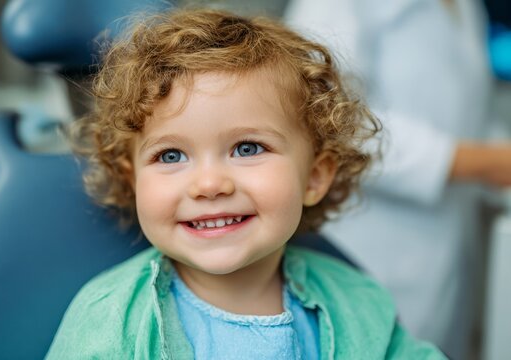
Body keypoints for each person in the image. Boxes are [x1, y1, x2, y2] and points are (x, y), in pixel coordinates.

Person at [45, 8, 446, 359]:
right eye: (170, 156)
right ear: (134, 182)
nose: (209, 184)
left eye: (248, 148)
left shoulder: (357, 303)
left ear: (315, 177)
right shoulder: (109, 322)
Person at [284, 1, 511, 358]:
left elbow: (468, 115)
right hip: (368, 237)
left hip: (443, 243)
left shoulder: (466, 6)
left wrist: (495, 158)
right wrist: (476, 161)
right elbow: (326, 112)